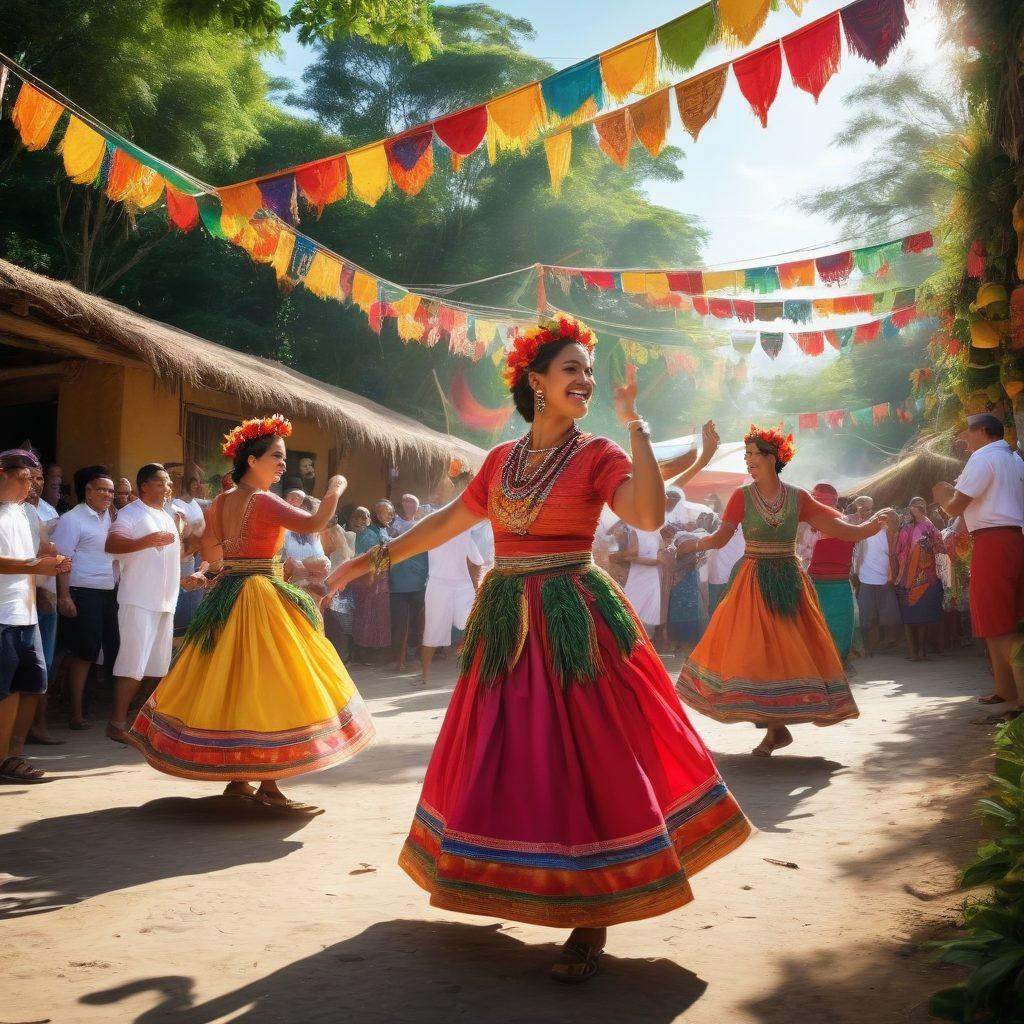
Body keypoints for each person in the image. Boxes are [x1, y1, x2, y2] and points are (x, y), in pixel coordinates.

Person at [323, 316, 749, 983]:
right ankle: (515, 879)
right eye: (572, 369)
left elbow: (645, 514)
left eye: (589, 371)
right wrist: (372, 559)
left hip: (573, 619)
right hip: (507, 624)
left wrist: (635, 421)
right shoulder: (499, 461)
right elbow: (447, 522)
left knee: (587, 759)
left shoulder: (601, 451)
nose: (585, 380)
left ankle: (593, 917)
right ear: (537, 383)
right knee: (513, 756)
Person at [127, 416, 374, 814]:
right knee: (271, 683)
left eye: (283, 457)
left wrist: (211, 574)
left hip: (229, 593)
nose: (282, 464)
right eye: (276, 457)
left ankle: (240, 778)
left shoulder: (221, 502)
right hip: (260, 596)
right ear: (252, 460)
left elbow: (211, 555)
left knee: (234, 682)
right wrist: (335, 488)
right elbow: (314, 522)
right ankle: (269, 785)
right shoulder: (262, 499)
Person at [675, 425, 895, 756]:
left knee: (783, 652)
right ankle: (774, 730)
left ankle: (776, 730)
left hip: (788, 581)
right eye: (747, 455)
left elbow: (843, 531)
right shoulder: (741, 496)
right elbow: (720, 539)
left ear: (772, 458)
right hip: (751, 582)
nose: (748, 460)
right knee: (756, 652)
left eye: (753, 455)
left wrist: (873, 524)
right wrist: (692, 544)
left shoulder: (798, 497)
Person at [934, 412, 1024, 712]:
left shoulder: (984, 458)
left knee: (997, 622)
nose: (961, 438)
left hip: (994, 541)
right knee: (1004, 618)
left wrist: (941, 495)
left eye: (966, 431)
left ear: (984, 431)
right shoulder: (1015, 459)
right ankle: (1005, 689)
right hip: (1013, 539)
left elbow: (954, 507)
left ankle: (1018, 697)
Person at [0, 449, 71, 782]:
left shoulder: (29, 514)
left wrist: (56, 561)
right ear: (3, 473)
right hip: (2, 615)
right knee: (4, 689)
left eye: (34, 479)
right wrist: (35, 566)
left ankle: (12, 755)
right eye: (25, 478)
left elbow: (43, 550)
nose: (30, 486)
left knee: (28, 685)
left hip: (25, 614)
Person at [104, 464, 180, 743]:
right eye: (161, 483)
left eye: (168, 483)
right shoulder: (130, 514)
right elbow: (112, 545)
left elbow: (165, 561)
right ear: (144, 486)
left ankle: (139, 722)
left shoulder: (167, 516)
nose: (167, 488)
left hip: (165, 601)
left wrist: (188, 580)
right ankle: (116, 723)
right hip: (138, 600)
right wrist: (146, 541)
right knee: (132, 664)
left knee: (158, 667)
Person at [51, 466, 118, 730]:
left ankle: (92, 706)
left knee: (108, 649)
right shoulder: (72, 519)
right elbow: (63, 560)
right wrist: (64, 595)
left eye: (110, 491)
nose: (107, 495)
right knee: (84, 653)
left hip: (108, 592)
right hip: (83, 592)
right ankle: (76, 712)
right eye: (101, 489)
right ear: (88, 492)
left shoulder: (110, 518)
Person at [420, 527, 483, 686]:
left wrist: (476, 586)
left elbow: (477, 563)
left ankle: (425, 677)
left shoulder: (462, 532)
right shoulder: (435, 533)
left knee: (472, 627)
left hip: (461, 586)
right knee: (432, 632)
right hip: (439, 585)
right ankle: (424, 676)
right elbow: (477, 563)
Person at [805, 483, 858, 665]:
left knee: (831, 625)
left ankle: (832, 663)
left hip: (829, 584)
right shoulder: (843, 523)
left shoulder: (810, 524)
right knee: (832, 625)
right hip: (825, 584)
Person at [893, 497, 946, 661]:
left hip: (927, 578)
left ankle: (922, 651)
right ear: (909, 508)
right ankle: (912, 652)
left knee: (923, 618)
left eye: (920, 505)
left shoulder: (930, 527)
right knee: (909, 618)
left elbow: (940, 548)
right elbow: (897, 552)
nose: (917, 507)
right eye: (914, 505)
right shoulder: (905, 529)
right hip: (907, 578)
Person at [852, 495, 902, 656]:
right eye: (862, 508)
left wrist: (893, 572)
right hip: (866, 578)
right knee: (869, 616)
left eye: (867, 508)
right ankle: (871, 647)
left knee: (889, 615)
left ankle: (889, 643)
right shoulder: (861, 527)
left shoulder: (887, 529)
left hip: (885, 578)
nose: (865, 511)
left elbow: (894, 552)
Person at [350, 500, 393, 664]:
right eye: (356, 518)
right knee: (366, 618)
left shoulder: (373, 533)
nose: (360, 521)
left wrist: (374, 579)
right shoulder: (364, 534)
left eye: (363, 518)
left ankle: (369, 654)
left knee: (371, 618)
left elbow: (378, 558)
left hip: (373, 582)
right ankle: (365, 654)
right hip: (366, 582)